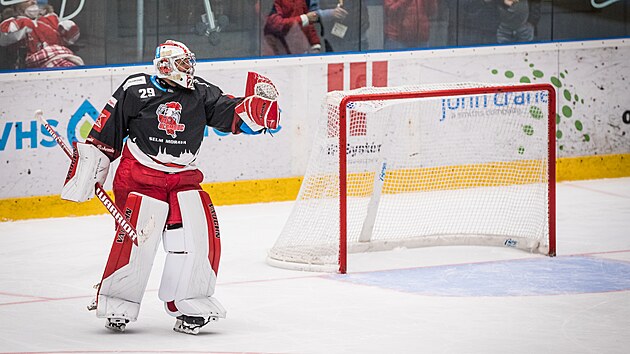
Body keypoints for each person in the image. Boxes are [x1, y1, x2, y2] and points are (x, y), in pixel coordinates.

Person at [60, 40, 280, 335]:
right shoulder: (135, 88)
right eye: (184, 64)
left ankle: (189, 300)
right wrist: (91, 167)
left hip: (183, 177)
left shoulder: (199, 91)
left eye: (190, 63)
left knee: (196, 236)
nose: (190, 69)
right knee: (139, 241)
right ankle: (118, 300)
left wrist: (254, 111)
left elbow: (227, 112)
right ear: (166, 66)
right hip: (140, 175)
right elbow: (106, 131)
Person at [0, 0, 82, 69]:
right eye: (28, 0)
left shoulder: (50, 20)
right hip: (35, 62)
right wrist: (23, 25)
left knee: (71, 68)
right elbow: (5, 38)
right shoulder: (16, 23)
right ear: (18, 7)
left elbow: (68, 40)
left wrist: (68, 28)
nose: (33, 2)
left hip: (60, 56)